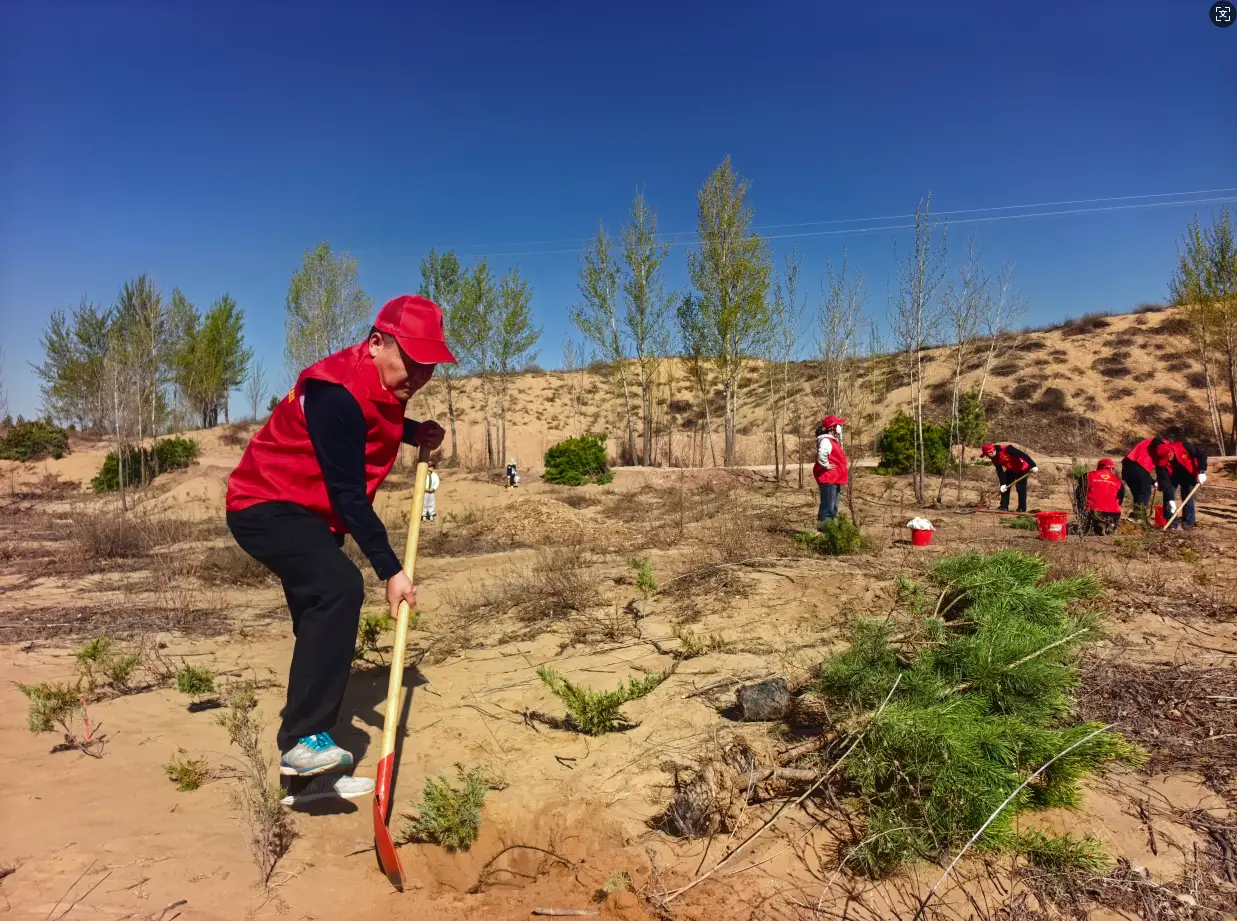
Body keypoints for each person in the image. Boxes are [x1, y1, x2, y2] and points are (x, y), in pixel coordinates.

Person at [225, 295, 453, 806]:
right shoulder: (336, 391)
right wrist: (390, 571)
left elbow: (375, 427)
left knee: (316, 620)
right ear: (376, 343)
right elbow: (348, 492)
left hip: (309, 515)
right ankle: (306, 740)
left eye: (429, 366)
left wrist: (416, 431)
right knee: (340, 587)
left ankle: (306, 780)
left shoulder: (377, 386)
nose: (418, 375)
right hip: (265, 505)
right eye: (411, 361)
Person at [1153, 439, 1208, 529]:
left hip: (1188, 474)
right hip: (1172, 476)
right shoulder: (1160, 460)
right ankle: (1171, 524)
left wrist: (1202, 471)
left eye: (1167, 459)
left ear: (1171, 453)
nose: (1166, 461)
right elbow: (1165, 481)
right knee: (1168, 497)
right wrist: (1170, 499)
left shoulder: (1185, 446)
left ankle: (1188, 523)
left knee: (1187, 496)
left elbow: (1201, 454)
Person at [980, 443, 1037, 513]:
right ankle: (1004, 506)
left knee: (1020, 488)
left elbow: (1023, 455)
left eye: (986, 454)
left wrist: (1033, 465)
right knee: (1005, 487)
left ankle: (1022, 508)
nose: (987, 456)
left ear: (991, 451)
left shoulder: (1007, 449)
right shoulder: (994, 458)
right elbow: (1000, 471)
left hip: (1023, 467)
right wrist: (1003, 484)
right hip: (1012, 468)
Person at [1121, 435, 1166, 520]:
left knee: (1138, 494)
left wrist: (1153, 481)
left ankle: (1137, 517)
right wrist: (1161, 479)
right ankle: (1139, 518)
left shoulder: (1151, 441)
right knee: (1144, 493)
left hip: (1127, 468)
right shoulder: (1164, 445)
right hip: (1137, 465)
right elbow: (1160, 466)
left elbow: (1143, 474)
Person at [1075, 459, 1125, 535]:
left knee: (1078, 496)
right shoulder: (1118, 480)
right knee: (1110, 521)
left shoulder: (1088, 475)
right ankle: (1109, 526)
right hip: (1113, 514)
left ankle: (1088, 525)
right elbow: (1120, 500)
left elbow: (1079, 494)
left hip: (1093, 511)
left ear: (1098, 467)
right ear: (1111, 468)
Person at [813, 415, 848, 523]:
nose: (840, 427)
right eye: (838, 425)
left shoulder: (831, 441)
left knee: (833, 507)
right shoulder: (826, 440)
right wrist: (825, 465)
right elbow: (821, 454)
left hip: (834, 478)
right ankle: (823, 531)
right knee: (828, 507)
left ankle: (829, 531)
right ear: (832, 428)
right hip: (828, 479)